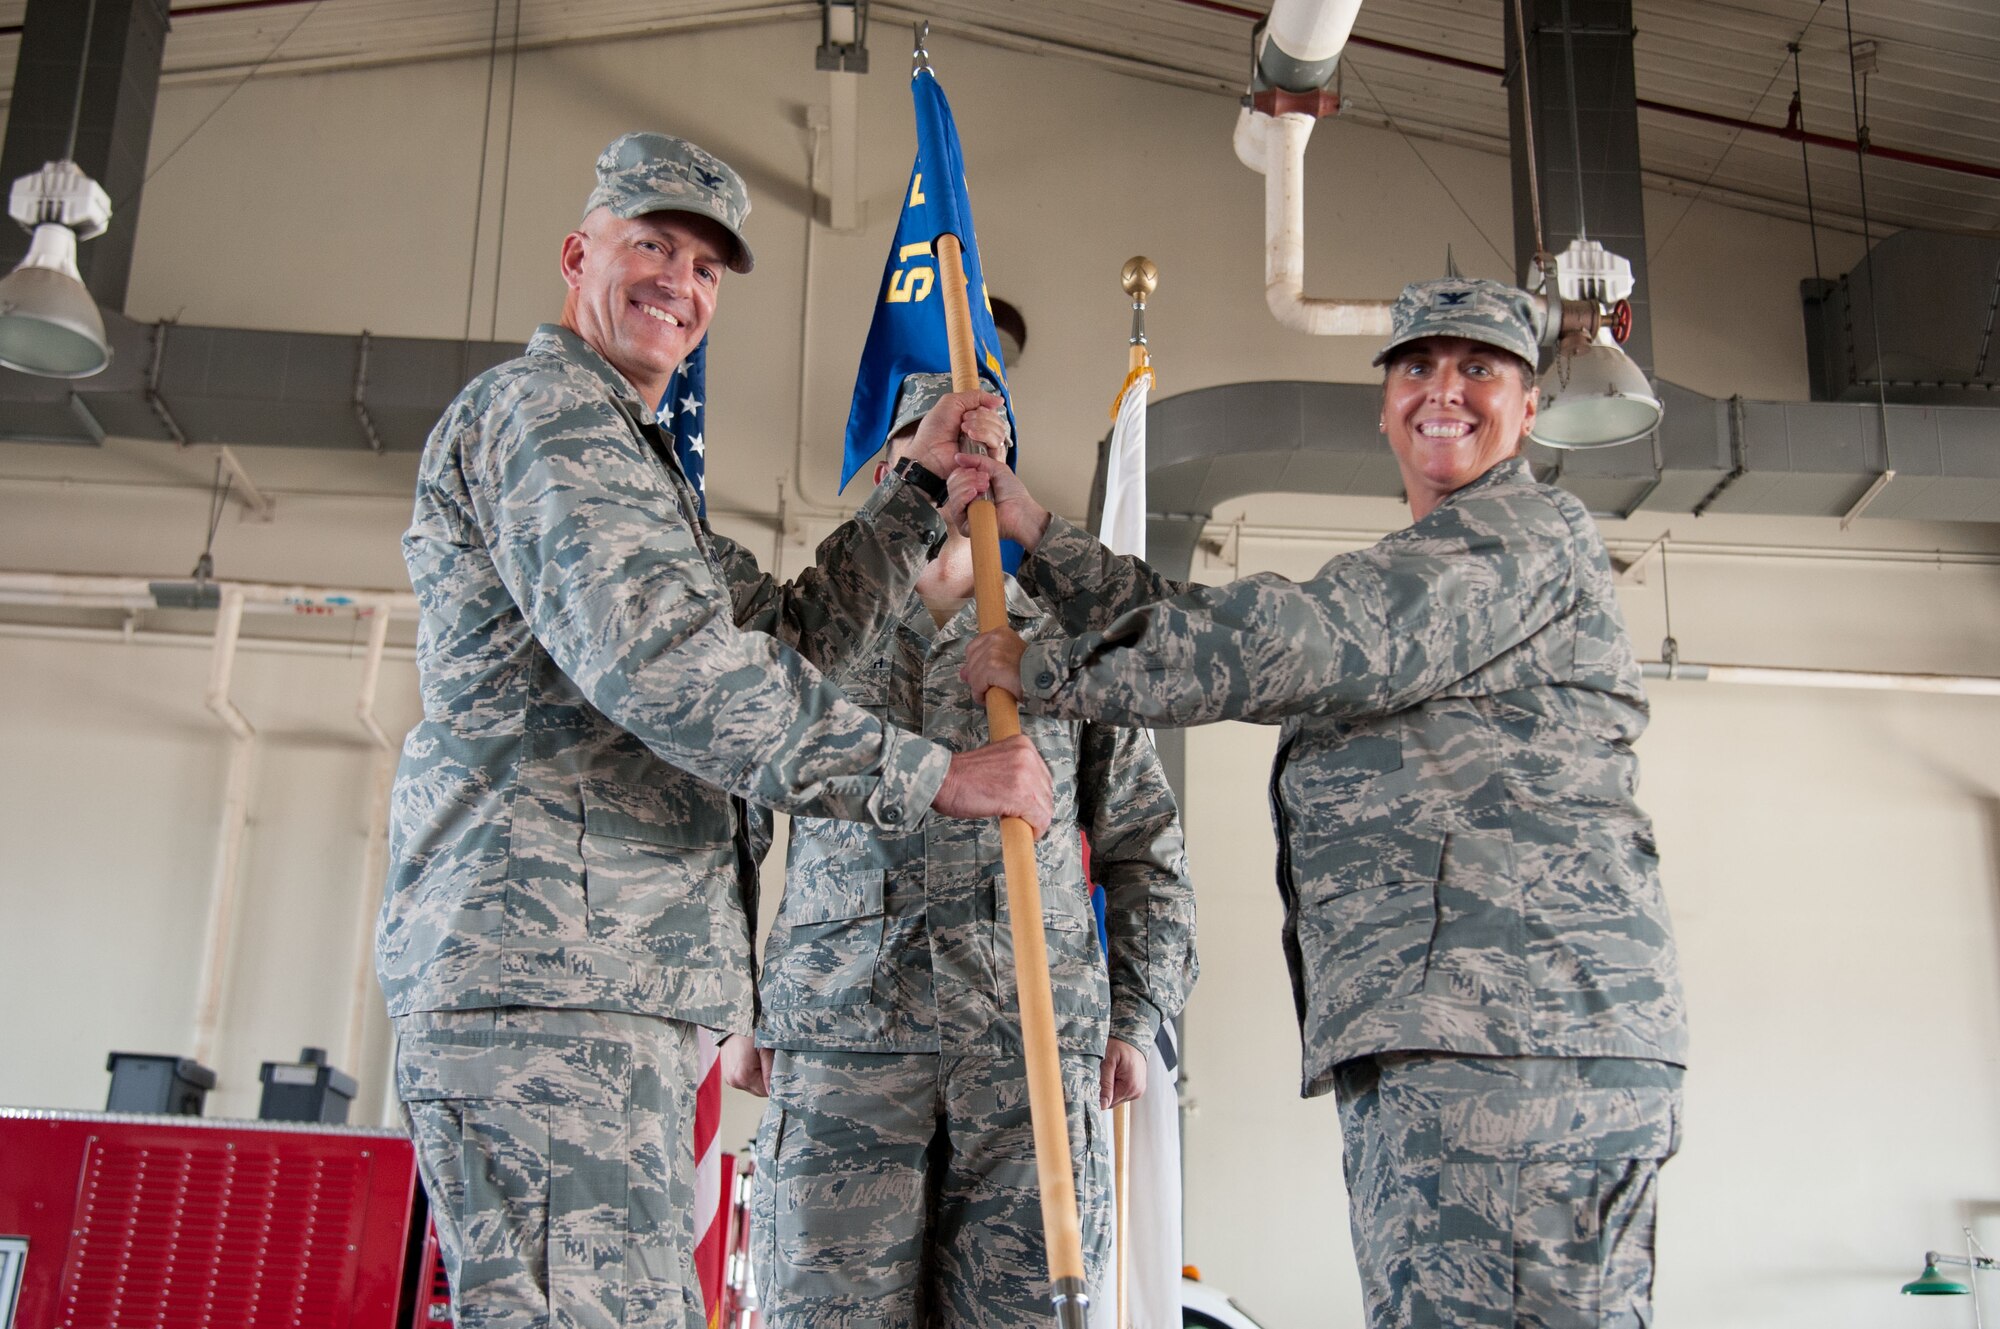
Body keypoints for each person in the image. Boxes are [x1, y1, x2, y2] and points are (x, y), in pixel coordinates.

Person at [379, 133, 1053, 1329]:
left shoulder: (638, 474)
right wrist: (929, 776)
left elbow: (787, 644)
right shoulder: (546, 418)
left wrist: (912, 500)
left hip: (606, 971)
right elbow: (665, 666)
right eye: (650, 244)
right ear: (577, 254)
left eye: (703, 265)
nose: (676, 283)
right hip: (547, 976)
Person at [958, 277, 1688, 1329]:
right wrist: (1042, 540)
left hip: (1517, 1042)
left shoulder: (1521, 535)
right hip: (1463, 1037)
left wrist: (1047, 669)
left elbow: (1301, 644)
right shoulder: (1435, 560)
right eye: (1416, 368)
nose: (1444, 391)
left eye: (1479, 368)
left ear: (1530, 408)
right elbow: (1245, 623)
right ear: (1384, 401)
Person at [724, 372, 1198, 1329]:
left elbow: (1145, 842)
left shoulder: (1063, 633)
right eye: (930, 458)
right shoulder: (824, 621)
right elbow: (732, 818)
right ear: (892, 467)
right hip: (841, 1043)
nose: (955, 479)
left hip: (1028, 1047)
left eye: (979, 459)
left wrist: (1138, 1012)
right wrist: (732, 1003)